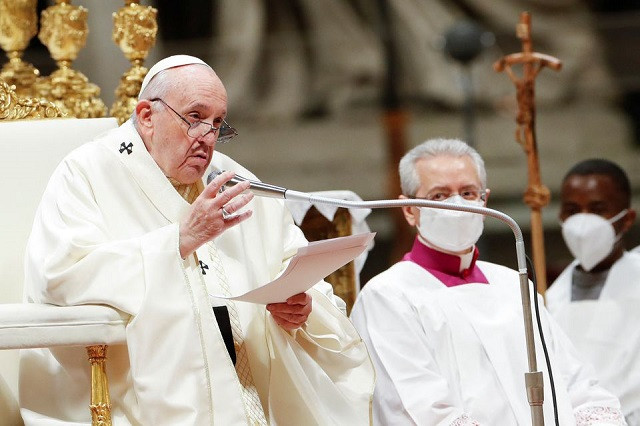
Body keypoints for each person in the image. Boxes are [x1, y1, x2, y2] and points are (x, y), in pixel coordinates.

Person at [20, 55, 374, 425]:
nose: (207, 137)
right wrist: (179, 240)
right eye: (194, 118)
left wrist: (301, 307)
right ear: (146, 116)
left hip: (247, 387)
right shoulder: (88, 172)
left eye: (217, 123)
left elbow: (292, 261)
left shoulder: (231, 178)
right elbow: (59, 275)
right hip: (137, 393)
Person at [350, 138, 627, 425]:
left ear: (485, 200)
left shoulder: (513, 284)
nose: (457, 204)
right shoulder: (388, 296)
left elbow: (577, 382)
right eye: (439, 195)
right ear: (409, 210)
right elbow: (422, 409)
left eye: (468, 192)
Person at [546, 159, 640, 424]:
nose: (583, 222)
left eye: (598, 210)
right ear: (562, 217)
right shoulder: (547, 298)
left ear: (627, 219)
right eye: (573, 210)